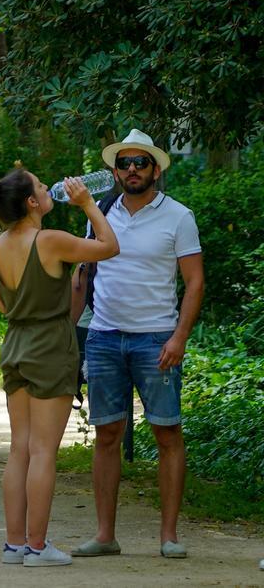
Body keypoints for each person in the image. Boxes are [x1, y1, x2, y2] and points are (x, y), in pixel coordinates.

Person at [73, 129, 204, 560]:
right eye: (124, 163)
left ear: (155, 169)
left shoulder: (178, 217)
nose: (132, 169)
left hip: (156, 339)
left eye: (140, 163)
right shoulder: (100, 212)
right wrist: (69, 334)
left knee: (167, 433)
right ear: (114, 171)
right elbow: (81, 277)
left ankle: (168, 535)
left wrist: (179, 337)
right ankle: (105, 534)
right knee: (107, 433)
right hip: (105, 337)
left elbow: (194, 281)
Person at [0, 167, 119, 567]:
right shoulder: (51, 241)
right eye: (43, 187)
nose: (50, 190)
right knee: (44, 451)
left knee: (19, 449)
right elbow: (109, 246)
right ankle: (38, 547)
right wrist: (88, 204)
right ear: (31, 202)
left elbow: (3, 306)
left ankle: (14, 545)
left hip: (15, 344)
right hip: (50, 346)